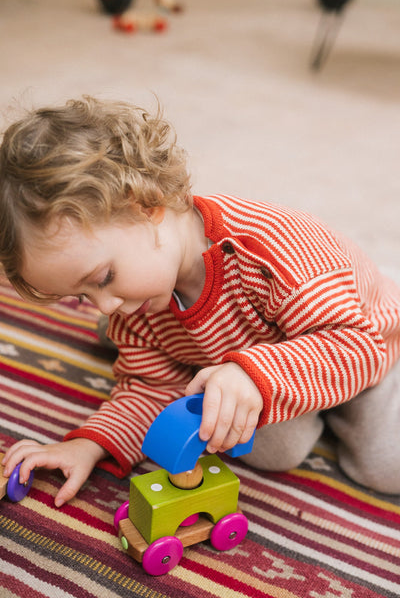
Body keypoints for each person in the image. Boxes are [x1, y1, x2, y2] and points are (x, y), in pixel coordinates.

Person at [0, 96, 399, 508]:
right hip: (265, 357)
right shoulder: (135, 309)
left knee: (388, 466)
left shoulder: (273, 252)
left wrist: (254, 375)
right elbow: (152, 388)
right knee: (262, 447)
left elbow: (358, 347)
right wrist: (88, 445)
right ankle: (263, 384)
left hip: (363, 342)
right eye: (83, 295)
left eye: (104, 278)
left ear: (147, 207)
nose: (104, 305)